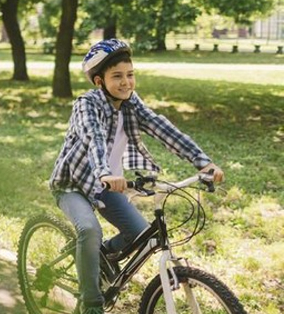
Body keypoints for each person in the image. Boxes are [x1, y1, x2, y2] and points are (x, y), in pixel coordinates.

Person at [49, 38, 224, 314]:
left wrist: (202, 163)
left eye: (130, 75)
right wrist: (105, 173)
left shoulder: (131, 103)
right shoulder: (86, 105)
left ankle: (97, 257)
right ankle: (91, 304)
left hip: (106, 184)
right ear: (98, 81)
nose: (126, 82)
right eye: (116, 76)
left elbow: (162, 128)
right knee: (89, 229)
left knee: (140, 233)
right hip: (73, 184)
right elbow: (93, 138)